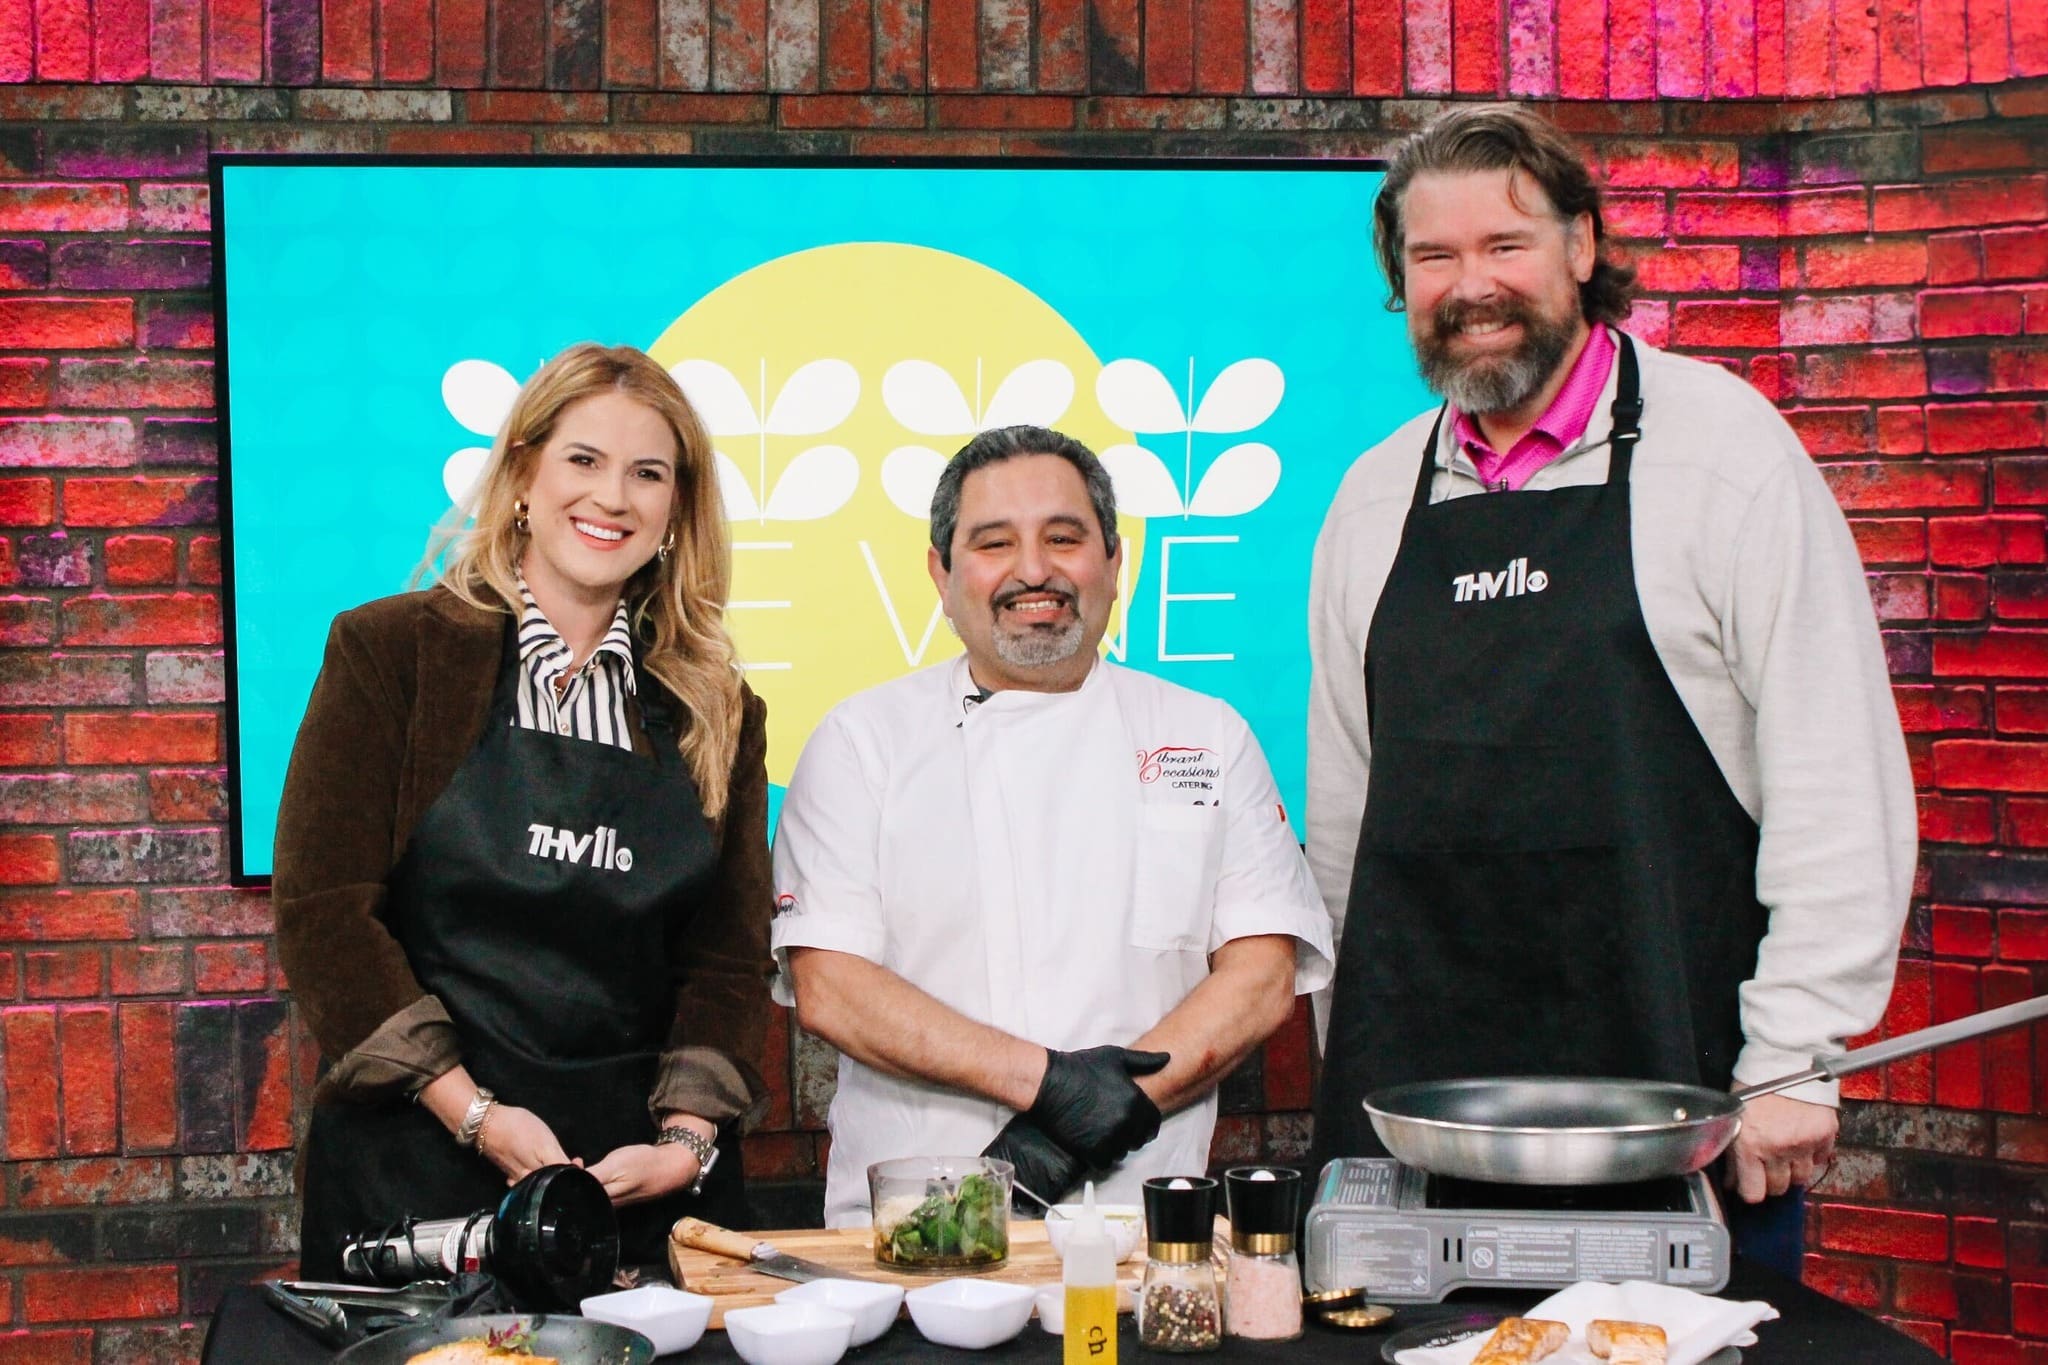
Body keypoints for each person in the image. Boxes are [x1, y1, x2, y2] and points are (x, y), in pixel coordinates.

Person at [1305, 105, 1915, 1268]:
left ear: (1581, 247)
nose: (1467, 286)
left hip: (1681, 1099)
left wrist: (1795, 1056)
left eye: (1504, 245)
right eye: (1432, 257)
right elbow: (1344, 817)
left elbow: (1834, 774)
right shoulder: (1372, 499)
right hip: (1425, 1110)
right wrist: (1352, 1055)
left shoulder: (1724, 452)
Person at [275, 343, 773, 1276]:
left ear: (675, 510)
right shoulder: (391, 656)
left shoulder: (717, 712)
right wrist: (473, 1112)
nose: (612, 497)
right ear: (522, 478)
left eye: (647, 473)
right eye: (583, 460)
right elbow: (326, 914)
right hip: (420, 1174)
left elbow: (729, 954)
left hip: (637, 1189)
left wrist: (687, 1139)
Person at [772, 424, 1335, 1225]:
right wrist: (1052, 1086)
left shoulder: (1206, 732)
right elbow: (833, 990)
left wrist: (1085, 1128)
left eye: (1063, 538)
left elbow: (1259, 976)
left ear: (1114, 559)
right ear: (941, 572)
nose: (1033, 570)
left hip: (1148, 1227)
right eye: (994, 543)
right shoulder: (862, 741)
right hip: (910, 1228)